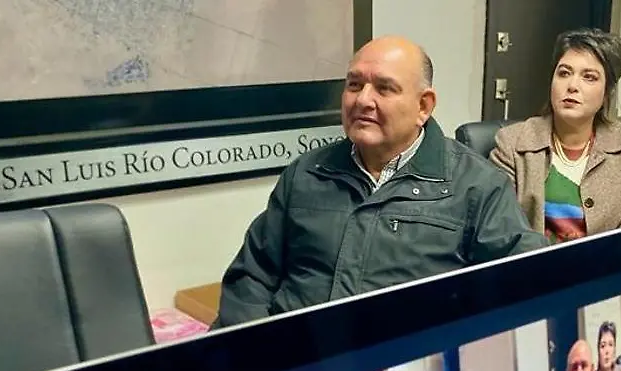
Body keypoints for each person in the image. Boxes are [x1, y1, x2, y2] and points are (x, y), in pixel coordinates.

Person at [213, 36, 547, 328]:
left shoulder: (476, 186)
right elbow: (252, 277)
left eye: (384, 88)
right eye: (354, 85)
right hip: (294, 359)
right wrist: (258, 355)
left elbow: (529, 282)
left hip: (402, 367)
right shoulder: (308, 172)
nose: (362, 100)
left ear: (423, 106)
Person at [491, 29, 621, 243]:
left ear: (607, 92)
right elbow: (501, 226)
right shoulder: (512, 143)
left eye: (589, 77)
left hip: (612, 261)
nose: (572, 86)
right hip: (536, 262)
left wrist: (604, 256)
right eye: (564, 73)